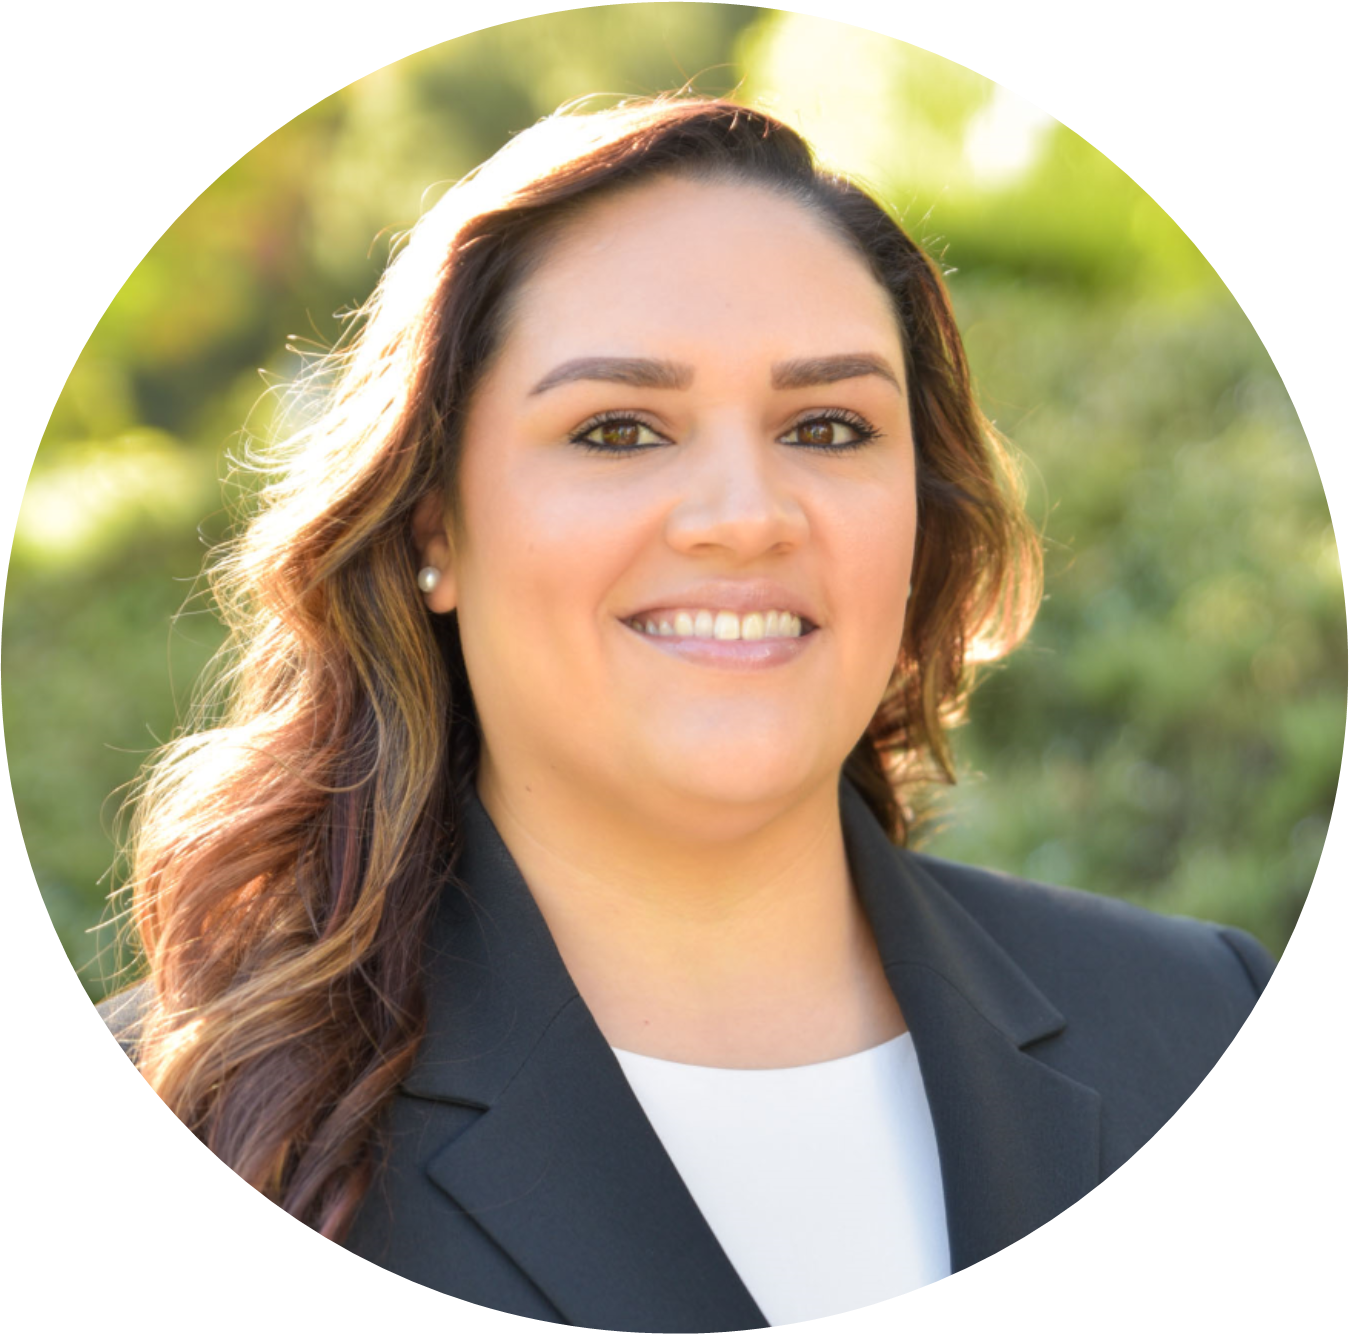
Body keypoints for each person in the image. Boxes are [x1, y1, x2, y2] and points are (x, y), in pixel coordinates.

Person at [95, 95, 1275, 1326]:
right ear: (432, 525)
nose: (744, 514)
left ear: (918, 524)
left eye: (826, 427)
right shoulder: (216, 1103)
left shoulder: (1191, 1021)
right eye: (617, 430)